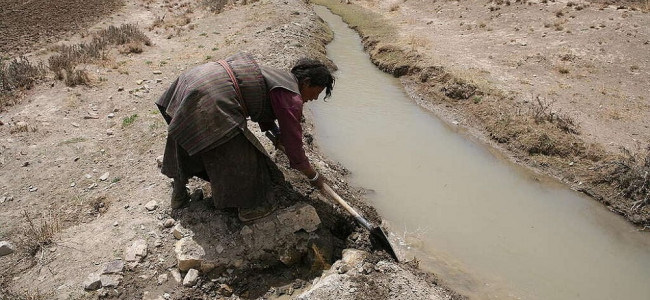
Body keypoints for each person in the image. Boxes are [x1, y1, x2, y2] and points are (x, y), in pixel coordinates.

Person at [155, 52, 335, 222]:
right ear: (306, 82)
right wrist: (313, 176)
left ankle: (179, 196)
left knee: (187, 134)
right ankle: (250, 208)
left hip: (194, 79)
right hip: (212, 95)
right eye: (316, 93)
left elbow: (260, 101)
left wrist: (275, 133)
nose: (314, 98)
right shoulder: (292, 97)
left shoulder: (277, 77)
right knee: (248, 160)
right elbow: (294, 145)